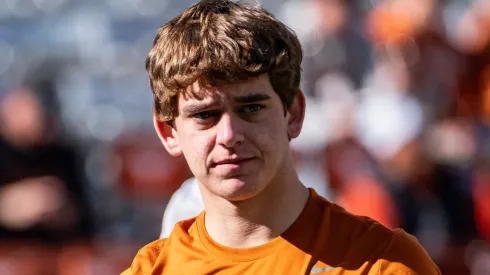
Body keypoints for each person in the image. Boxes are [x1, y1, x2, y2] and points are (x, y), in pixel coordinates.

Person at [122, 0, 440, 274]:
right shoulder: (153, 269)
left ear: (294, 113)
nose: (230, 135)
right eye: (205, 115)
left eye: (251, 108)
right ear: (168, 132)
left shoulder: (384, 264)